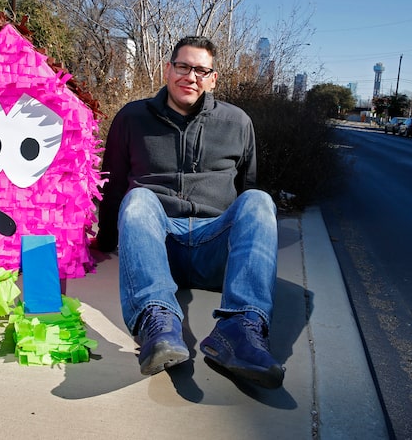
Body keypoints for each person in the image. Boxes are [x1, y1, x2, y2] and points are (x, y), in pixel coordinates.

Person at [95, 35, 284, 389]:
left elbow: (248, 187)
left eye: (201, 70)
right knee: (138, 199)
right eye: (183, 66)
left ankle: (240, 330)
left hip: (216, 250)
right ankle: (159, 323)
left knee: (259, 200)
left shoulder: (237, 122)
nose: (190, 76)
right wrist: (104, 241)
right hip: (158, 248)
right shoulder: (132, 118)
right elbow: (115, 185)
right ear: (168, 70)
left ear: (213, 78)